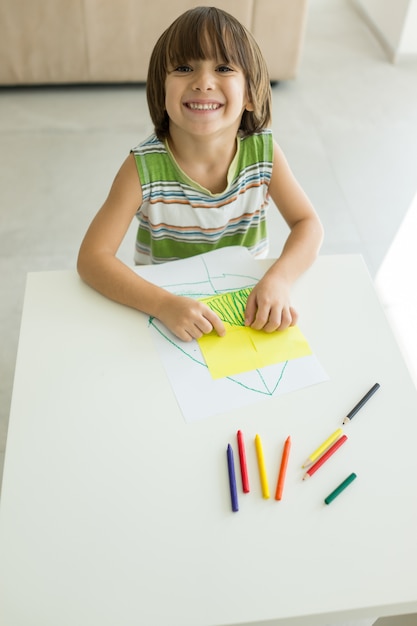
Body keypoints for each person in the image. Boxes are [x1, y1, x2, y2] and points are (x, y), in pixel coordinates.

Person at [77, 6, 324, 342]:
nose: (203, 82)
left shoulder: (264, 153)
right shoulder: (142, 168)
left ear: (250, 94)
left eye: (223, 68)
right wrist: (163, 304)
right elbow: (92, 258)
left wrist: (279, 278)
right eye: (183, 67)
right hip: (166, 310)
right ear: (161, 90)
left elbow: (308, 224)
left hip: (245, 305)